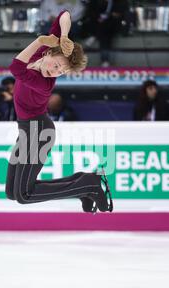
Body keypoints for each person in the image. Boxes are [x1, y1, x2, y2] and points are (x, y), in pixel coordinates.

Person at [6, 10, 113, 213]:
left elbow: (16, 68)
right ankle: (85, 183)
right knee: (12, 192)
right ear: (50, 52)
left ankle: (89, 184)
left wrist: (39, 41)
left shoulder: (43, 83)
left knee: (23, 195)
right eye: (56, 65)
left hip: (38, 131)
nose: (55, 72)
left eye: (61, 72)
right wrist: (63, 36)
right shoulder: (45, 52)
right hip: (27, 131)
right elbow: (64, 14)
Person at [82, 0, 128, 67]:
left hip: (111, 24)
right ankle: (105, 60)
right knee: (103, 35)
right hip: (97, 23)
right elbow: (90, 13)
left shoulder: (118, 2)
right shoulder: (94, 2)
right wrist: (99, 17)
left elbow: (119, 13)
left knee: (105, 33)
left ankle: (94, 36)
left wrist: (110, 15)